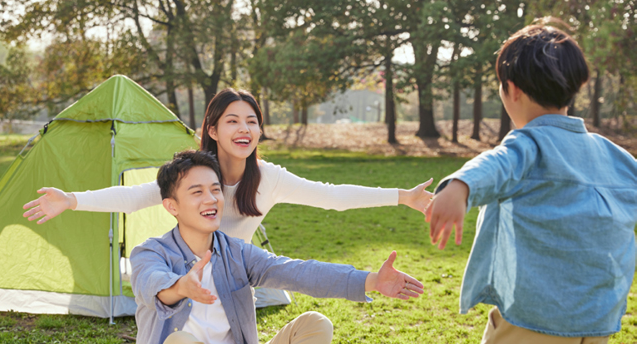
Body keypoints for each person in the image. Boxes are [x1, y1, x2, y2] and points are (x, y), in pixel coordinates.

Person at [426, 23, 637, 344]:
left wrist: (458, 186)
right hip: (597, 323)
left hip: (538, 316)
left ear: (511, 90)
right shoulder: (613, 155)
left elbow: (495, 164)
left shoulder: (529, 144)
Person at [124, 149, 424, 344]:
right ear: (172, 206)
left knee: (315, 324)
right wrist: (180, 287)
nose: (210, 199)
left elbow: (295, 271)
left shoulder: (236, 251)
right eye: (196, 192)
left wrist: (371, 280)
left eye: (215, 190)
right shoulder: (150, 252)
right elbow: (148, 283)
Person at [21, 88, 434, 245]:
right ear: (213, 130)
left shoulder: (268, 179)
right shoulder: (191, 174)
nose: (244, 129)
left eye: (252, 121)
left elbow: (333, 197)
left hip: (236, 288)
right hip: (187, 285)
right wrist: (72, 200)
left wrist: (404, 197)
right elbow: (133, 197)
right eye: (233, 121)